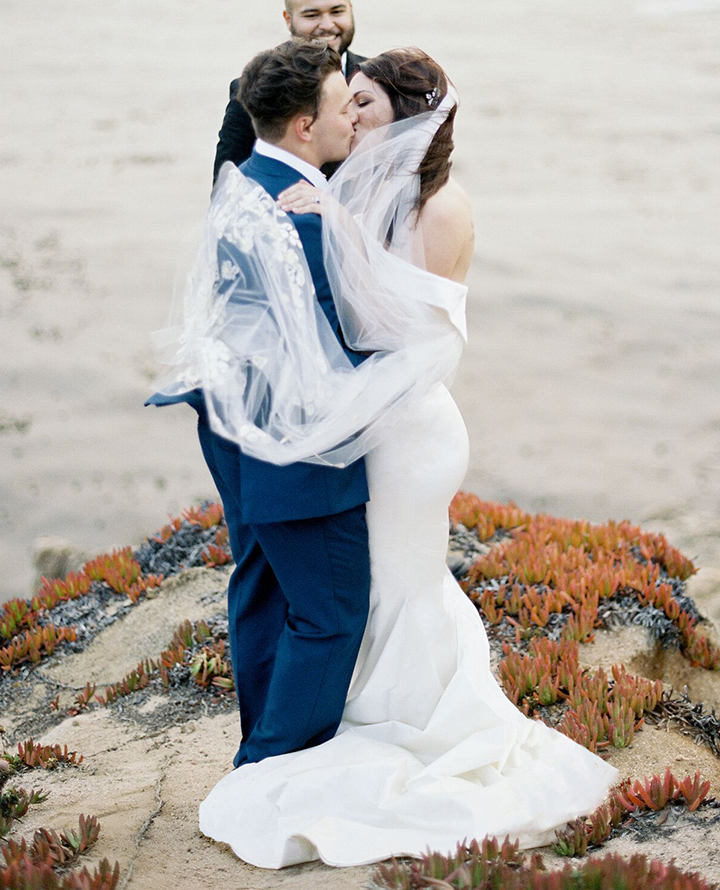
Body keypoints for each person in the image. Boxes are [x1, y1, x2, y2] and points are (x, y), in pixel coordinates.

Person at [187, 46, 620, 867]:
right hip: (371, 425)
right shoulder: (348, 189)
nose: (352, 117)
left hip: (411, 427)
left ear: (404, 120)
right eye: (345, 102)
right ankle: (355, 717)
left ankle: (425, 722)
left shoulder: (441, 207)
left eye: (366, 105)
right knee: (379, 583)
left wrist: (335, 227)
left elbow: (407, 329)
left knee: (401, 579)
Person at [147, 40, 371, 770]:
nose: (354, 118)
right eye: (342, 107)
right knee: (332, 611)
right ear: (305, 126)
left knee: (263, 589)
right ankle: (267, 768)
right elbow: (348, 344)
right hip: (293, 445)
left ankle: (261, 739)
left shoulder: (238, 184)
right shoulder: (306, 220)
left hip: (230, 424)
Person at [212, 0, 366, 184]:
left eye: (337, 12)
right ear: (288, 19)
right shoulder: (261, 87)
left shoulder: (377, 79)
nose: (327, 25)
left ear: (350, 10)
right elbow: (228, 186)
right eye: (312, 15)